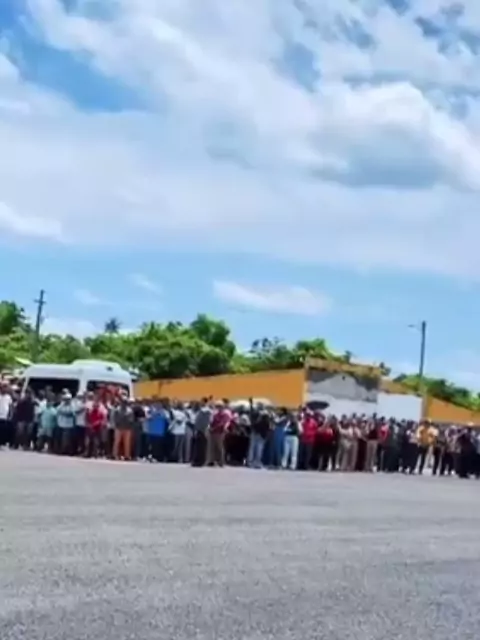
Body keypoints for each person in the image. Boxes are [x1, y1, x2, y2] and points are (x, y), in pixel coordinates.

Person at [113, 396, 135, 461]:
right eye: (123, 401)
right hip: (119, 428)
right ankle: (115, 455)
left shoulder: (130, 410)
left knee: (127, 443)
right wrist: (118, 423)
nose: (124, 403)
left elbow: (131, 420)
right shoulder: (117, 409)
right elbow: (115, 418)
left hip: (127, 428)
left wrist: (128, 423)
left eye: (125, 402)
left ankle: (127, 456)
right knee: (117, 442)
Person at [191, 398, 212, 467]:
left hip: (203, 430)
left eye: (202, 402)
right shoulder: (201, 410)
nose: (201, 403)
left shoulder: (206, 411)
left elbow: (206, 422)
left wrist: (205, 429)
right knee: (198, 446)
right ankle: (197, 460)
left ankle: (201, 461)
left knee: (202, 446)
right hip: (199, 430)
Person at [56, 391, 76, 455]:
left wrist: (64, 412)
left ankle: (66, 451)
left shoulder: (72, 405)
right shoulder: (62, 404)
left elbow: (71, 413)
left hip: (68, 425)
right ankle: (61, 450)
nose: (66, 401)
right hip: (61, 424)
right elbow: (58, 410)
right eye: (65, 399)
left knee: (66, 439)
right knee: (61, 438)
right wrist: (64, 411)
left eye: (68, 399)